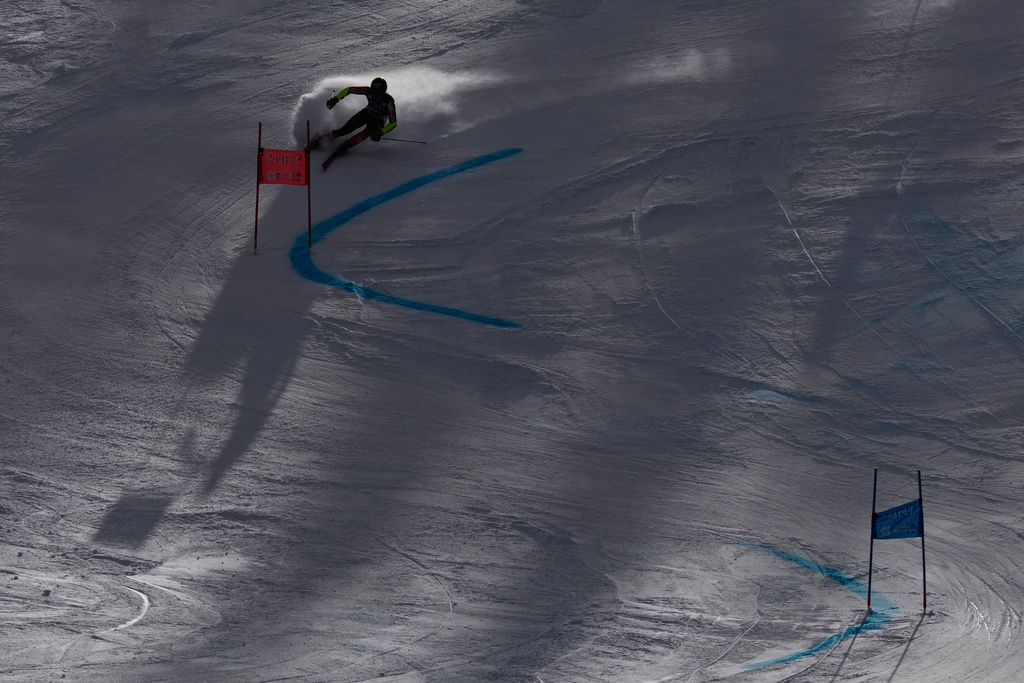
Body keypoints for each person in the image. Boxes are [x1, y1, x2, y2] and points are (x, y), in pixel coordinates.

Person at [321, 77, 397, 151]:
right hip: (367, 112)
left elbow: (393, 122)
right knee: (346, 129)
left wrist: (381, 132)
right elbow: (350, 90)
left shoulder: (389, 101)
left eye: (379, 94)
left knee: (366, 133)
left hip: (379, 120)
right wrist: (336, 99)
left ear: (384, 92)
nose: (376, 96)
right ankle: (327, 137)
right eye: (374, 93)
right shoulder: (368, 90)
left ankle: (347, 144)